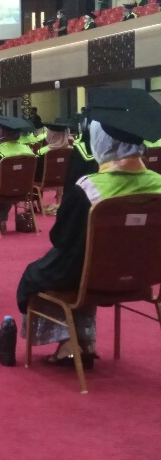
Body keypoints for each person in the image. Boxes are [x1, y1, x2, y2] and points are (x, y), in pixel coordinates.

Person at [16, 88, 161, 367]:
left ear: (101, 141)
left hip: (91, 279)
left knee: (41, 273)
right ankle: (83, 341)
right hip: (144, 277)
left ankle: (71, 343)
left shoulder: (88, 189)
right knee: (83, 262)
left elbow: (61, 239)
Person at [0, 116, 36, 233]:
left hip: (1, 192)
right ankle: (1, 221)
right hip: (24, 191)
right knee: (8, 183)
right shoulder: (29, 152)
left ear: (3, 133)